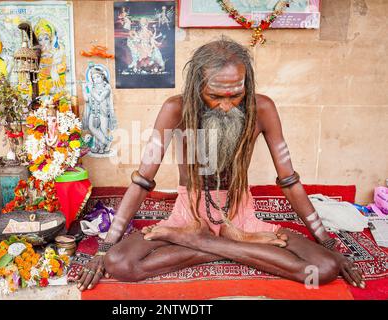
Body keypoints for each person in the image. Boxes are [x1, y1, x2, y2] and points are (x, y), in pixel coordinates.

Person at [76, 38, 365, 291]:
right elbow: (142, 181)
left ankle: (201, 241)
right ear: (196, 88)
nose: (226, 106)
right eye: (215, 96)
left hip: (241, 215)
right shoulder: (175, 109)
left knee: (323, 269)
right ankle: (231, 243)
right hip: (187, 215)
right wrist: (105, 246)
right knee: (119, 263)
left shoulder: (262, 108)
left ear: (246, 86)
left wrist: (326, 244)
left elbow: (289, 180)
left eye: (235, 95)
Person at [82, 65, 117, 155]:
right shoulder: (92, 87)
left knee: (103, 130)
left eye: (97, 77)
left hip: (103, 112)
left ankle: (102, 146)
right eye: (93, 78)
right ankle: (107, 142)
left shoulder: (107, 87)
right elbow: (86, 99)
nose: (95, 79)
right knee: (92, 127)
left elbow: (100, 98)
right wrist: (84, 89)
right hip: (93, 112)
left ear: (102, 76)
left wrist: (91, 90)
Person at [34, 18, 66, 96]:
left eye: (46, 38)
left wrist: (53, 69)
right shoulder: (35, 55)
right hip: (40, 86)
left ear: (50, 40)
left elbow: (62, 67)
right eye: (40, 39)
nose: (43, 42)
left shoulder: (57, 53)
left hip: (54, 85)